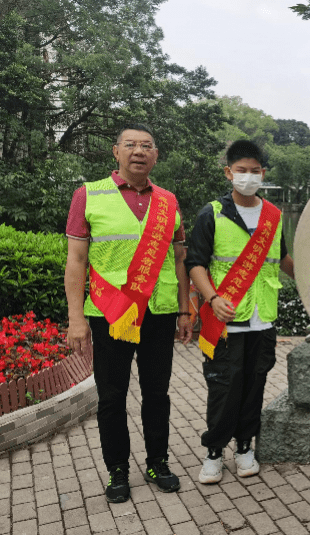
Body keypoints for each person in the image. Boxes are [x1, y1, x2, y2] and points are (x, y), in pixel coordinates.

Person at [65, 124, 192, 504]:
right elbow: (76, 260)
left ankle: (157, 462)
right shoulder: (88, 195)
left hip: (158, 312)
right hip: (110, 313)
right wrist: (76, 317)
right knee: (112, 396)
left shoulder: (169, 200)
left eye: (147, 146)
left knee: (157, 393)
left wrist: (185, 310)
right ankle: (117, 468)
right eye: (131, 145)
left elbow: (180, 259)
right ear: (116, 152)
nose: (139, 151)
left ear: (155, 156)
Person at [186, 139, 295, 484]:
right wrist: (212, 297)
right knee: (223, 388)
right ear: (228, 173)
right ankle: (214, 451)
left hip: (262, 318)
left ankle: (245, 446)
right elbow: (195, 264)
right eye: (241, 170)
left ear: (263, 173)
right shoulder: (212, 213)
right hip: (226, 319)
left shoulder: (274, 216)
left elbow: (284, 260)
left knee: (254, 386)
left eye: (254, 171)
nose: (248, 176)